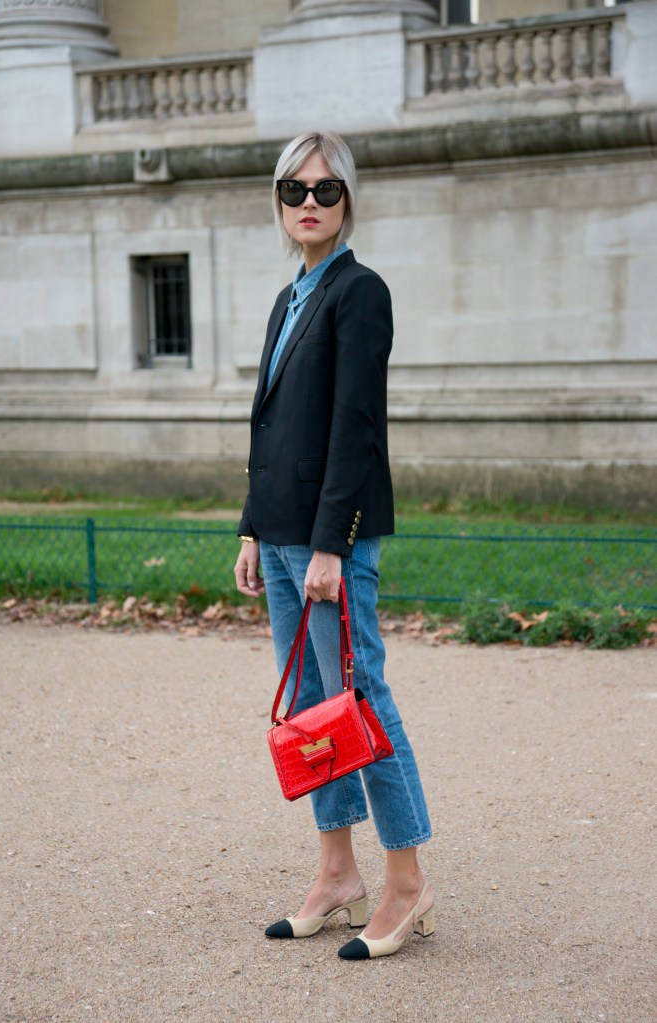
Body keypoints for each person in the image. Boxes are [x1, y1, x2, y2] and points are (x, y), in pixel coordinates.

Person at [234, 131, 433, 961]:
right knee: (316, 711)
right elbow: (271, 425)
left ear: (348, 199)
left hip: (327, 543)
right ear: (279, 202)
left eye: (325, 189)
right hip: (281, 535)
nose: (309, 202)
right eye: (294, 189)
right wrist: (251, 524)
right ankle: (337, 872)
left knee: (362, 699)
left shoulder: (360, 291)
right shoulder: (290, 297)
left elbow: (356, 428)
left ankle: (407, 881)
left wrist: (330, 546)